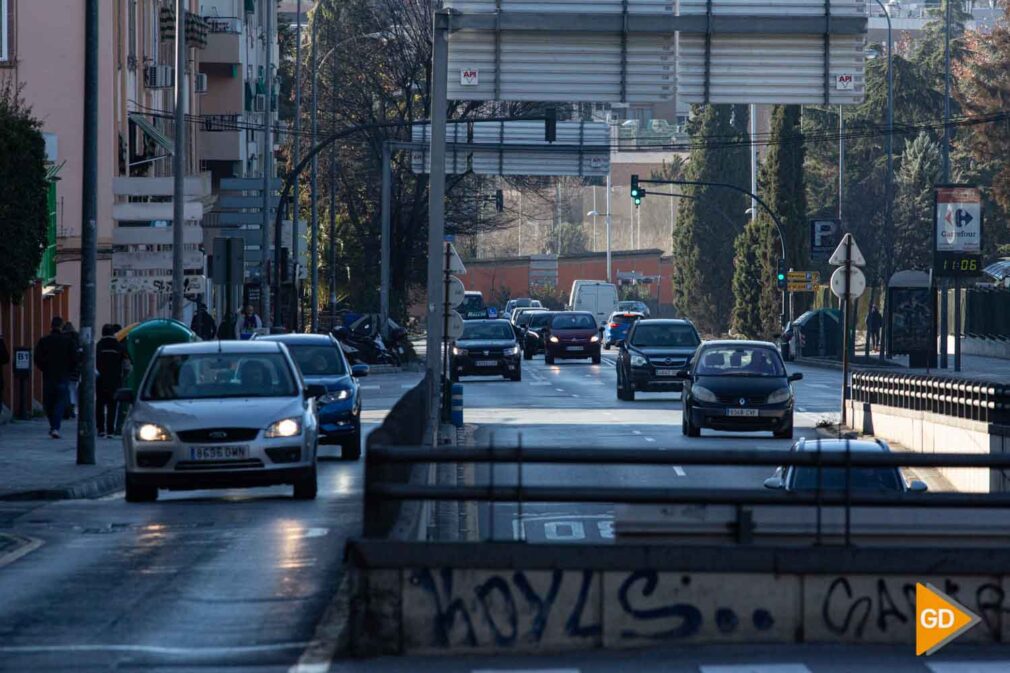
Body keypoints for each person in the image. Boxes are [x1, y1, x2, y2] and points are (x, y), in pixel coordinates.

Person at [34, 316, 78, 439]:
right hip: (63, 375)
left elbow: (37, 358)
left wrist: (44, 367)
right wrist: (69, 369)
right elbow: (75, 359)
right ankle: (55, 427)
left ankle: (53, 426)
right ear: (61, 326)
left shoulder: (44, 341)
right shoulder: (68, 341)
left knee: (48, 403)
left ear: (51, 326)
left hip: (49, 376)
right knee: (60, 402)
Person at [96, 324, 129, 438]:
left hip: (100, 379)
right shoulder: (118, 346)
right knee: (112, 405)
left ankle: (100, 429)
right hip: (115, 380)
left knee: (100, 404)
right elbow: (125, 361)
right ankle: (110, 429)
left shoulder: (99, 345)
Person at [61, 321, 83, 419]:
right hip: (75, 368)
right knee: (73, 388)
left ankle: (67, 409)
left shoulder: (62, 338)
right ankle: (72, 409)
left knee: (66, 389)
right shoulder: (77, 337)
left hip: (64, 367)